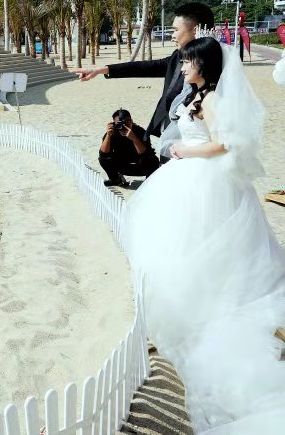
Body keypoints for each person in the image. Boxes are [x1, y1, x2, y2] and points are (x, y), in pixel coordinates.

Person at [121, 36, 285, 434]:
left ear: (203, 66)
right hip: (190, 176)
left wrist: (184, 151)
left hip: (202, 178)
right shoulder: (197, 96)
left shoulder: (210, 99)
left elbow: (224, 143)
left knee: (197, 246)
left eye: (187, 62)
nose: (182, 67)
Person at [72, 3, 215, 146]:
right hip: (168, 131)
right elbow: (147, 67)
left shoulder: (216, 67)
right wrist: (103, 70)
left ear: (195, 30)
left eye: (176, 30)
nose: (172, 36)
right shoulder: (177, 56)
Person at [99, 109, 160, 186]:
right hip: (122, 165)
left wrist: (134, 138)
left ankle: (149, 182)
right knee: (104, 159)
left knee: (153, 161)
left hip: (141, 165)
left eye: (127, 122)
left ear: (131, 121)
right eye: (120, 124)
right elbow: (103, 154)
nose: (124, 126)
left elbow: (146, 154)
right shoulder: (112, 133)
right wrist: (108, 136)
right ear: (114, 124)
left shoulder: (140, 132)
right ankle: (115, 179)